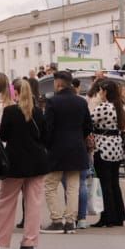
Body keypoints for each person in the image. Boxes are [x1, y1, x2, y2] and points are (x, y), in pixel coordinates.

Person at [0, 75, 50, 249]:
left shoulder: (10, 111)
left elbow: (3, 136)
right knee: (33, 203)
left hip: (14, 163)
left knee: (5, 202)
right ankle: (29, 242)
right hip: (37, 163)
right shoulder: (39, 113)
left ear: (15, 93)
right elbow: (45, 137)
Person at [42, 72, 89, 234]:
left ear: (58, 83)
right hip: (77, 147)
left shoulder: (52, 101)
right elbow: (88, 126)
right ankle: (70, 221)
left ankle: (56, 220)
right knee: (73, 186)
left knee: (50, 185)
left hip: (57, 148)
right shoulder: (81, 102)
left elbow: (48, 127)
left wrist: (47, 145)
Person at [88, 80, 125, 228]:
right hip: (116, 147)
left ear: (104, 92)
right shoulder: (119, 106)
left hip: (103, 147)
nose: (99, 93)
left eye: (100, 91)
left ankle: (107, 217)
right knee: (114, 183)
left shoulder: (104, 107)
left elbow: (89, 121)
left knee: (104, 184)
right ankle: (118, 216)